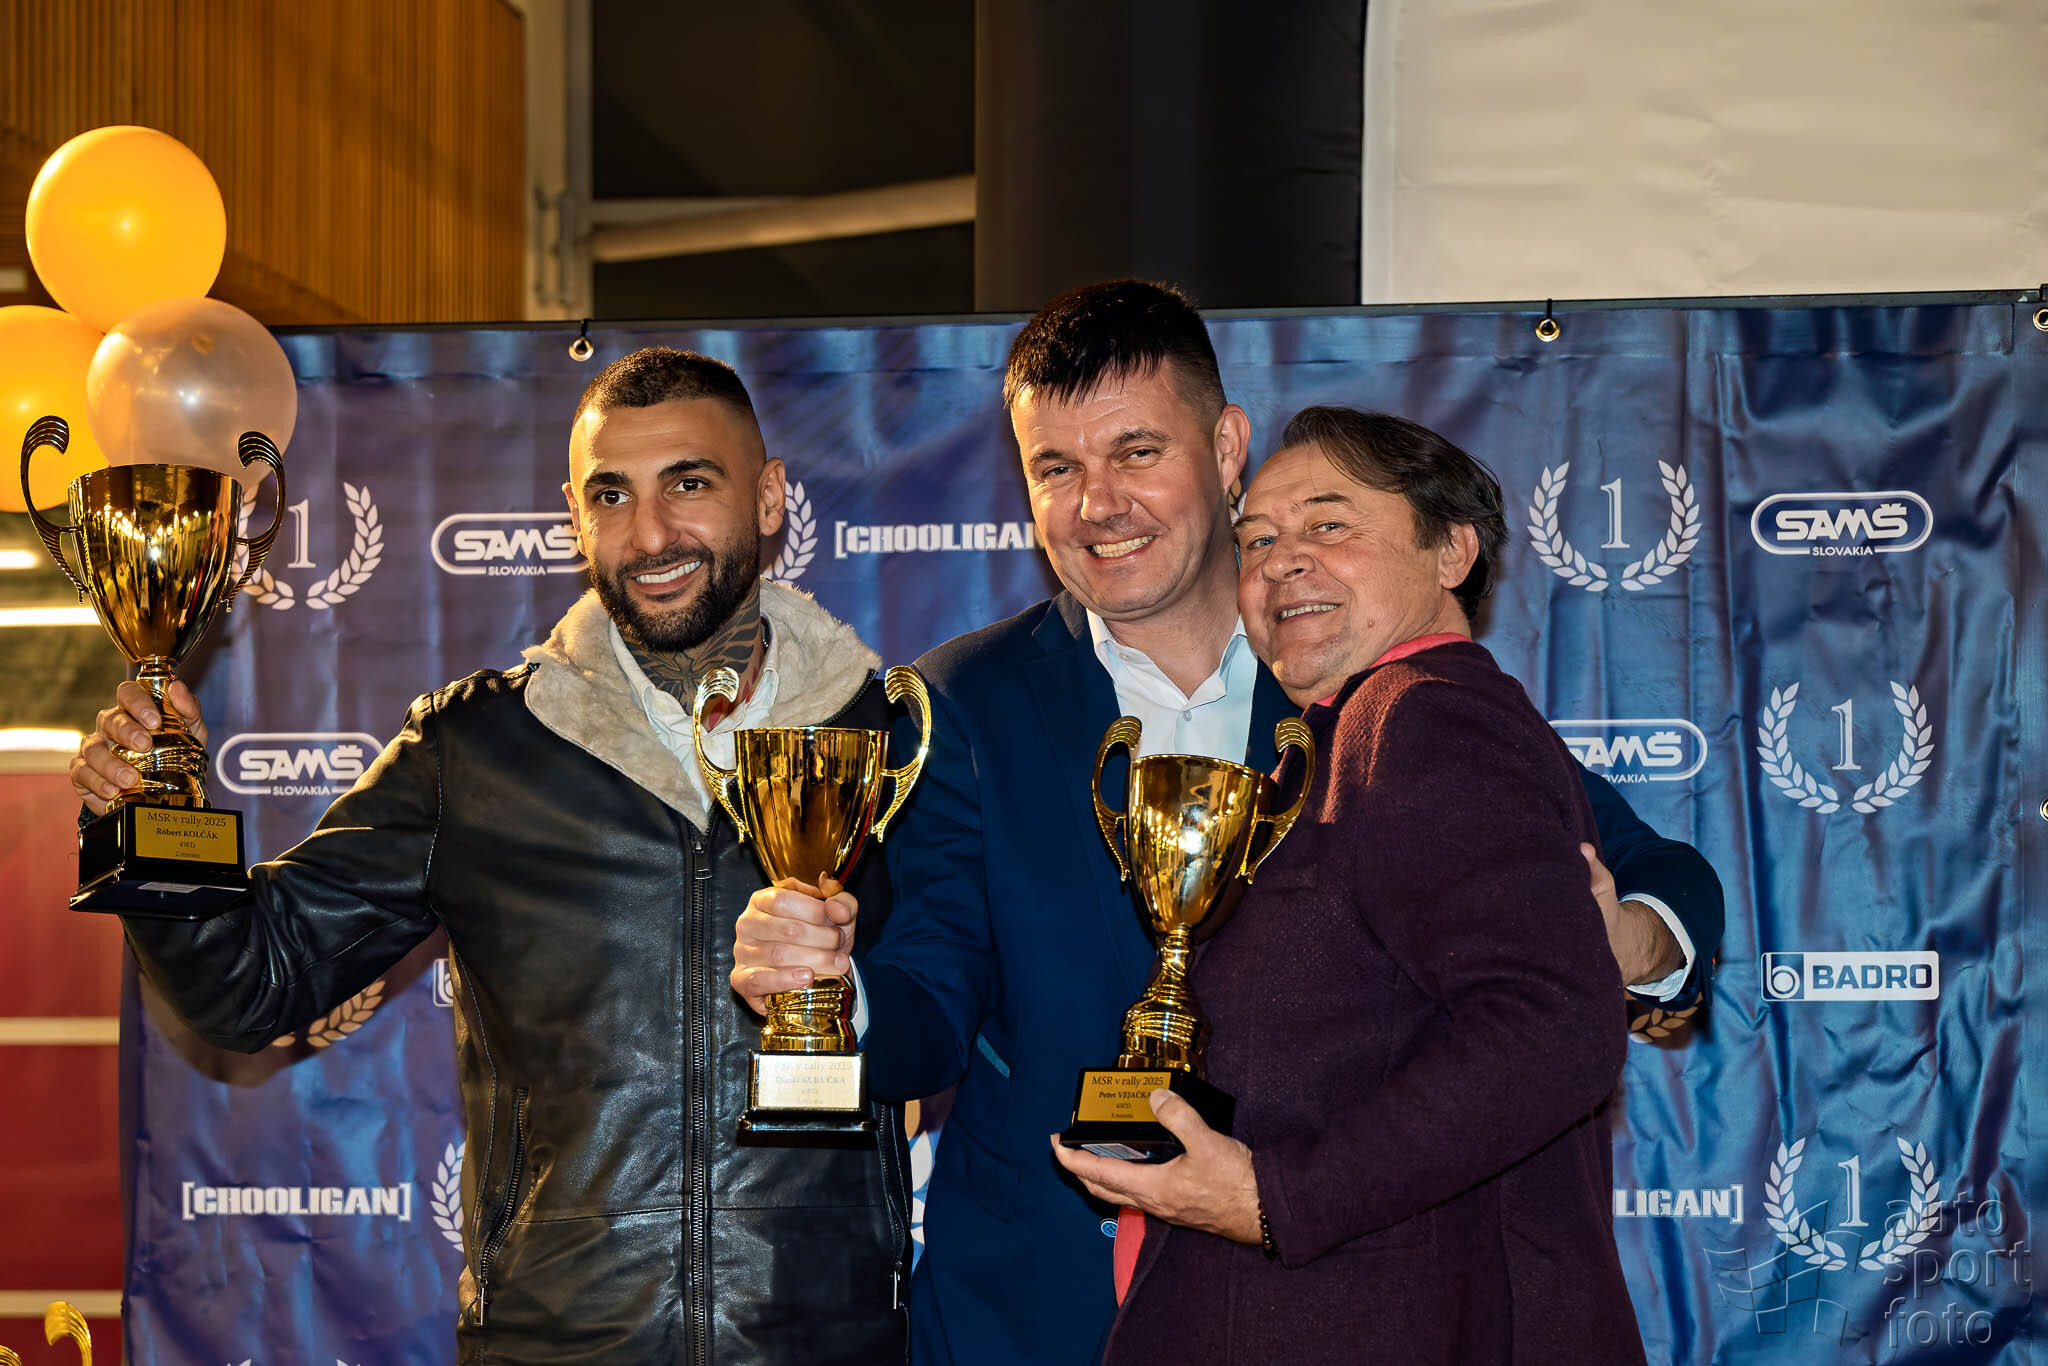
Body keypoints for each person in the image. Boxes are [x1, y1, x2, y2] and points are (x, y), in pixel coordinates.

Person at [732, 281, 1722, 1364]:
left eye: (1137, 452)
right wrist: (831, 993)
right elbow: (934, 988)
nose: (1098, 503)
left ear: (1225, 447)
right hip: (1033, 1303)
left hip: (1308, 1292)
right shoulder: (959, 699)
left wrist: (1623, 941)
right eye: (1055, 469)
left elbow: (1649, 867)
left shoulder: (1355, 671)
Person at [69, 349, 911, 1365]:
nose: (650, 535)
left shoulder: (891, 739)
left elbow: (961, 1010)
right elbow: (251, 985)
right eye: (612, 495)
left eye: (689, 484)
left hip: (827, 1343)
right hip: (554, 1344)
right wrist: (157, 830)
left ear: (770, 497)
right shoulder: (475, 752)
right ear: (572, 517)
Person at [1055, 405, 1647, 1364]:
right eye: (1257, 540)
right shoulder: (1343, 739)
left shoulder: (1426, 720)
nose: (1282, 562)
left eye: (1329, 525)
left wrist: (1276, 1197)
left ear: (1452, 550)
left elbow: (1552, 1029)